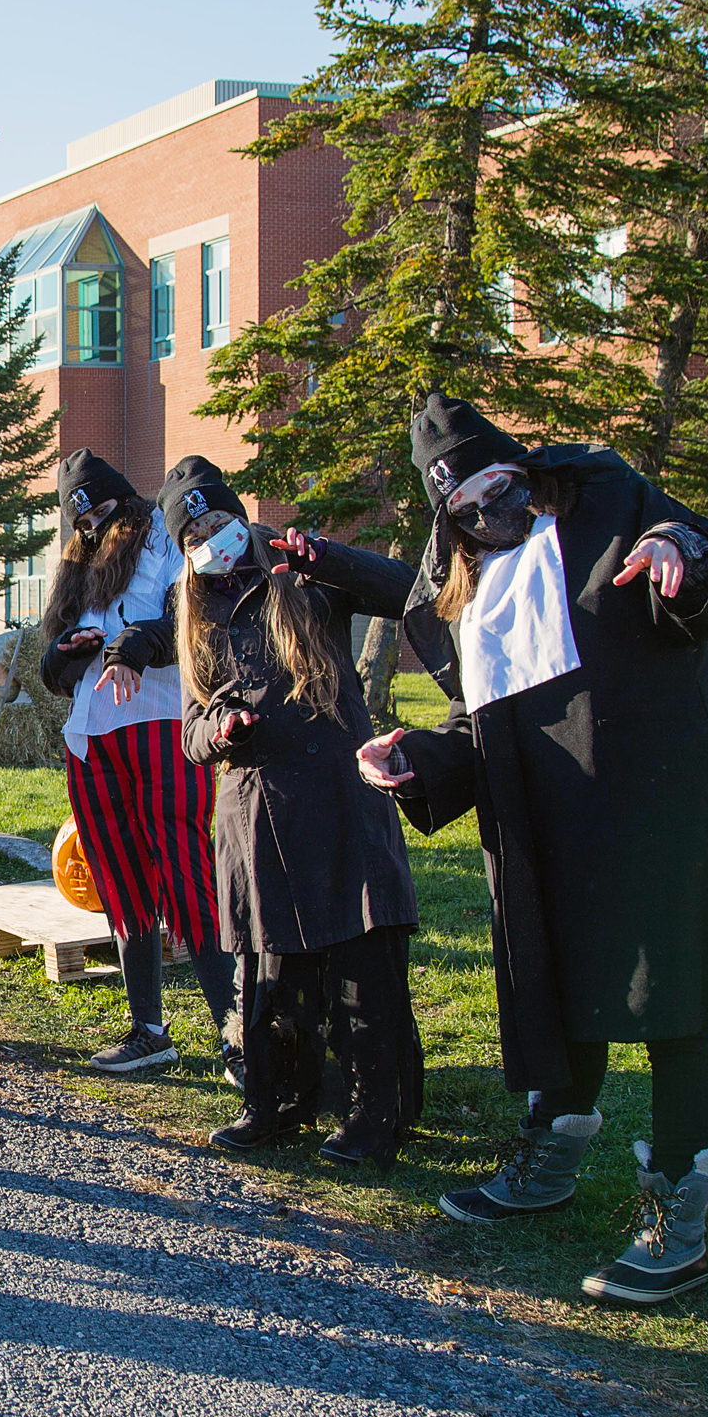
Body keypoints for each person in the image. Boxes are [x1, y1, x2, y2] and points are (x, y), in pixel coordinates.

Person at [357, 393, 708, 1304]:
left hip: (652, 805)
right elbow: (482, 726)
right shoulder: (463, 591)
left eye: (501, 483)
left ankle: (675, 1214)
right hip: (541, 832)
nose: (493, 507)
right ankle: (549, 1160)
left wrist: (683, 553)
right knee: (560, 993)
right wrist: (416, 760)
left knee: (670, 1002)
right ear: (450, 517)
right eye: (469, 503)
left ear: (523, 467)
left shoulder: (607, 499)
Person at [160, 456, 423, 1168]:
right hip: (255, 814)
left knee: (361, 970)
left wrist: (332, 558)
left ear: (240, 518)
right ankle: (275, 1099)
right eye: (195, 535)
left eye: (219, 522)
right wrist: (219, 731)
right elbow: (188, 732)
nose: (211, 540)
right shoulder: (193, 614)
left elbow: (409, 592)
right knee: (269, 973)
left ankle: (375, 1113)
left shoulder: (301, 574)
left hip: (339, 798)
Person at [35, 450, 243, 1081]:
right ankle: (149, 1028)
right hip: (92, 735)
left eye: (102, 509)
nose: (95, 525)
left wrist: (128, 645)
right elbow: (55, 669)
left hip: (161, 721)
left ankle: (236, 1030)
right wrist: (63, 655)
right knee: (121, 881)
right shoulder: (78, 564)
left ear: (124, 499)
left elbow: (186, 618)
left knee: (186, 873)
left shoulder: (166, 538)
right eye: (82, 518)